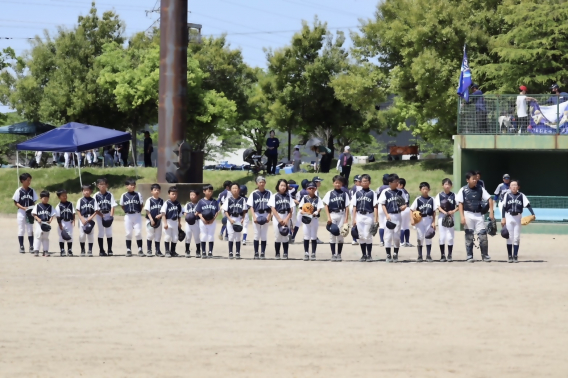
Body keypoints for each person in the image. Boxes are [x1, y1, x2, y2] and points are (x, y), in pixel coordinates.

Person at [456, 171, 494, 263]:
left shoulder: (480, 189)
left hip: (479, 214)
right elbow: (460, 204)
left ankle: (485, 255)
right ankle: (469, 256)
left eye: (476, 178)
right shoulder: (463, 190)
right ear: (467, 180)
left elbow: (490, 199)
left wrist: (491, 212)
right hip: (468, 213)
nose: (475, 180)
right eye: (473, 179)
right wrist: (462, 217)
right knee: (469, 235)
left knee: (483, 236)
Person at [501, 179, 535, 263]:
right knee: (509, 237)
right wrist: (503, 218)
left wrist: (533, 214)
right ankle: (509, 256)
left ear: (518, 187)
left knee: (516, 238)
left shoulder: (521, 195)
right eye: (512, 185)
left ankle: (515, 256)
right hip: (508, 216)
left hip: (518, 217)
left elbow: (528, 205)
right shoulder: (507, 195)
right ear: (509, 187)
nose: (513, 187)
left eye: (515, 185)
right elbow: (503, 207)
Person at [379, 174, 406, 263]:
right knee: (388, 236)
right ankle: (388, 254)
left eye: (398, 181)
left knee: (396, 236)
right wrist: (386, 215)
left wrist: (404, 207)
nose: (398, 183)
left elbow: (405, 203)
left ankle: (395, 253)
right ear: (390, 183)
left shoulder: (400, 192)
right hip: (389, 215)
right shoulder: (385, 192)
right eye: (396, 182)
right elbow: (383, 204)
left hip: (398, 215)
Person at [352, 174, 379, 262]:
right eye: (363, 181)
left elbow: (375, 206)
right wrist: (354, 219)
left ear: (369, 182)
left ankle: (369, 255)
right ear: (360, 182)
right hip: (359, 215)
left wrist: (376, 219)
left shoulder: (372, 193)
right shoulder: (357, 193)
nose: (364, 182)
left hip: (369, 215)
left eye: (366, 181)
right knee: (361, 236)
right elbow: (355, 206)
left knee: (368, 235)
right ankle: (363, 255)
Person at [323, 176, 350, 261]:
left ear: (342, 184)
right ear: (333, 183)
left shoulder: (344, 194)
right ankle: (333, 254)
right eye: (336, 182)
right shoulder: (329, 193)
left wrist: (346, 219)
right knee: (332, 235)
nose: (337, 184)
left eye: (339, 183)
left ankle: (339, 254)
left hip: (341, 214)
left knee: (341, 235)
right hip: (332, 214)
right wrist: (328, 217)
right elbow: (326, 205)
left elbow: (347, 207)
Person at [410, 182, 436, 262]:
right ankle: (420, 255)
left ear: (429, 190)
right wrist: (412, 219)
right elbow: (411, 209)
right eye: (423, 189)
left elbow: (434, 211)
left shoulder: (432, 199)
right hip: (420, 220)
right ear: (420, 190)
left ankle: (428, 255)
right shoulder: (418, 199)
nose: (425, 190)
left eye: (426, 189)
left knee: (428, 237)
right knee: (420, 237)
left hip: (428, 218)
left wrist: (434, 222)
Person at [247, 176, 272, 259]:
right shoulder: (254, 193)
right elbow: (251, 206)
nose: (261, 183)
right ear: (257, 183)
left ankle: (262, 253)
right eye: (260, 182)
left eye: (263, 182)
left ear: (265, 183)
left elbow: (272, 206)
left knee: (264, 235)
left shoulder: (269, 193)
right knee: (256, 234)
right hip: (257, 214)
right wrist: (254, 217)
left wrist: (269, 216)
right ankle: (256, 253)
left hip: (265, 213)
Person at [13, 172, 38, 253]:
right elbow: (16, 202)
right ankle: (21, 246)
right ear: (22, 181)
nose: (29, 182)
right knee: (21, 229)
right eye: (28, 180)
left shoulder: (32, 190)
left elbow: (34, 201)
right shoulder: (19, 190)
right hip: (21, 211)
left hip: (30, 211)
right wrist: (23, 208)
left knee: (30, 229)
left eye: (30, 180)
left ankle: (31, 246)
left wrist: (32, 209)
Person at [268, 179, 292, 259]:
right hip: (277, 216)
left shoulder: (289, 196)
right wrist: (279, 219)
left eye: (284, 186)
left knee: (285, 235)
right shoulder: (274, 196)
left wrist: (287, 219)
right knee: (277, 235)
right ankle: (277, 253)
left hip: (286, 215)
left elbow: (291, 209)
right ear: (278, 186)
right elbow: (273, 208)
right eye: (281, 185)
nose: (283, 187)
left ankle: (285, 253)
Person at [222, 183, 248, 259]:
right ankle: (230, 252)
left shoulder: (242, 200)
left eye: (236, 188)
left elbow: (244, 211)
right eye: (233, 188)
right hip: (231, 218)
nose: (235, 190)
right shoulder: (228, 199)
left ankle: (237, 252)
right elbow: (225, 210)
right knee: (231, 236)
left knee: (238, 236)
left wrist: (243, 218)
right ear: (230, 190)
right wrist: (229, 219)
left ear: (239, 189)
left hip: (238, 219)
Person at [299, 181, 324, 261]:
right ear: (307, 189)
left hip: (314, 219)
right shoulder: (305, 198)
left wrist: (315, 213)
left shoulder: (318, 198)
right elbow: (300, 209)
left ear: (315, 189)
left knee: (313, 236)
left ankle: (313, 253)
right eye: (310, 188)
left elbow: (320, 208)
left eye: (313, 188)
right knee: (306, 236)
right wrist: (305, 213)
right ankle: (306, 253)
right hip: (306, 219)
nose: (311, 190)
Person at [434, 178, 457, 262]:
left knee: (450, 237)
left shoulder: (454, 195)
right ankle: (442, 255)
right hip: (442, 216)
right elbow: (438, 206)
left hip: (451, 216)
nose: (447, 186)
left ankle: (450, 255)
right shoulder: (439, 195)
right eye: (445, 184)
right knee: (442, 236)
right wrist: (445, 212)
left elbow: (459, 205)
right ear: (442, 185)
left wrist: (453, 211)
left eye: (449, 184)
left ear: (451, 186)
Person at [120, 179, 144, 257]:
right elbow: (122, 205)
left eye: (134, 185)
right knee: (128, 233)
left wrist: (138, 211)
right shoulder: (124, 195)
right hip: (128, 216)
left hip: (137, 215)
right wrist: (127, 211)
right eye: (131, 185)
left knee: (138, 233)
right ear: (127, 186)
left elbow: (141, 204)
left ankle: (140, 249)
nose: (133, 186)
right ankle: (128, 250)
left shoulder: (138, 194)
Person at [195, 184, 220, 259]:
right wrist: (202, 219)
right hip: (203, 221)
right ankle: (203, 251)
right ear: (204, 191)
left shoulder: (214, 201)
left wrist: (213, 219)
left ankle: (210, 251)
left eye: (211, 191)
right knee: (203, 235)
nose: (210, 193)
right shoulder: (201, 201)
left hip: (212, 221)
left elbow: (217, 211)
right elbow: (198, 212)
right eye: (209, 191)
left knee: (211, 236)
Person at [94, 178, 117, 256]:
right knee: (101, 232)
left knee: (109, 232)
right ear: (97, 186)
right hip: (100, 215)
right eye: (100, 184)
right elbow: (95, 208)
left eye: (104, 184)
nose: (102, 186)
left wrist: (111, 216)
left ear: (107, 185)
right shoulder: (96, 195)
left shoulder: (110, 194)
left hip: (108, 214)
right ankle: (101, 250)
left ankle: (110, 250)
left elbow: (113, 206)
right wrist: (102, 216)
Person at [31, 190, 56, 257]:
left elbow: (52, 214)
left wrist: (50, 220)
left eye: (47, 198)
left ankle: (45, 251)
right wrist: (38, 218)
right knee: (38, 236)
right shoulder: (38, 205)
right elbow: (34, 213)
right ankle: (36, 250)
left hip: (46, 224)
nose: (46, 199)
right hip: (39, 223)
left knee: (45, 237)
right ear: (41, 198)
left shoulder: (50, 207)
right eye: (44, 198)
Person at [76, 184, 99, 257]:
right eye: (84, 190)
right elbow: (78, 210)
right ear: (82, 191)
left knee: (90, 234)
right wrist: (81, 218)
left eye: (88, 190)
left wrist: (91, 217)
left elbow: (96, 210)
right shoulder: (80, 200)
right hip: (82, 218)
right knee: (82, 235)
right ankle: (82, 250)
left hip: (90, 218)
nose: (86, 192)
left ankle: (90, 250)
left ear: (91, 191)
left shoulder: (93, 200)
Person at [160, 186, 182, 258]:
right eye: (172, 194)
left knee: (175, 238)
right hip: (168, 221)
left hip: (175, 222)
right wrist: (165, 223)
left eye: (175, 194)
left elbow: (179, 215)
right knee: (167, 237)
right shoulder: (167, 203)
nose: (174, 195)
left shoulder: (178, 204)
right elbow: (163, 214)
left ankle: (173, 251)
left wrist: (179, 223)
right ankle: (167, 251)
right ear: (169, 194)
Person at [144, 183, 164, 257]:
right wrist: (151, 219)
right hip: (150, 221)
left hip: (159, 221)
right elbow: (147, 211)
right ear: (151, 191)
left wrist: (161, 215)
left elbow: (164, 211)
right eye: (155, 190)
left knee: (158, 236)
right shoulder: (149, 200)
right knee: (150, 235)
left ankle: (158, 250)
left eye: (158, 190)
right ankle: (149, 250)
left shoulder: (162, 201)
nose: (156, 191)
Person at [55, 189, 74, 257]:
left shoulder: (70, 204)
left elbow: (73, 213)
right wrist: (60, 225)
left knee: (70, 236)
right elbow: (58, 216)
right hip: (62, 222)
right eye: (63, 196)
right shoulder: (58, 206)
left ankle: (69, 250)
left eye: (65, 195)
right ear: (59, 197)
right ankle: (62, 250)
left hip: (69, 222)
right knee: (61, 237)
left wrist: (73, 220)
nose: (65, 197)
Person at [183, 190, 202, 258]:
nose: (192, 196)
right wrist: (188, 217)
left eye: (193, 195)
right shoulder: (187, 204)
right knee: (188, 237)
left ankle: (198, 251)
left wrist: (194, 216)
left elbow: (199, 212)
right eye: (191, 195)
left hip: (196, 222)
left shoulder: (199, 204)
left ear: (197, 196)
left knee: (197, 237)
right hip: (188, 223)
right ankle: (187, 250)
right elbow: (184, 212)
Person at [375, 173, 390, 247]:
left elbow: (376, 198)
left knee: (381, 225)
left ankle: (381, 241)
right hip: (389, 207)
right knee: (388, 224)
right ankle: (387, 240)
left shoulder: (379, 188)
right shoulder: (391, 188)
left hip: (381, 206)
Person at [397, 178, 413, 247]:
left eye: (398, 184)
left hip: (403, 209)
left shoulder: (400, 191)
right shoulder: (406, 191)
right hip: (408, 209)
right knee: (406, 226)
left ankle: (402, 242)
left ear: (401, 185)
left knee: (402, 227)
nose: (397, 185)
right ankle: (407, 242)